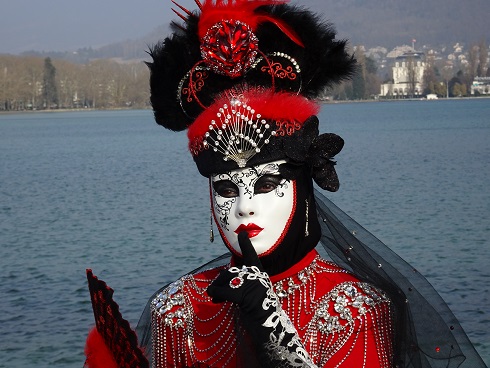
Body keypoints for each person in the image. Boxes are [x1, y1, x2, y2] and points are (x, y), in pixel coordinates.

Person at [84, 0, 488, 367]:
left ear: (303, 187)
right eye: (227, 189)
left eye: (264, 184)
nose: (244, 207)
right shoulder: (177, 310)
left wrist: (274, 332)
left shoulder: (356, 310)